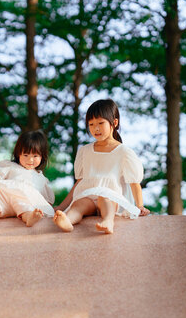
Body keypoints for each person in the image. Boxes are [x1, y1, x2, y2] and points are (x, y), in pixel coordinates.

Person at [53, 99, 150, 234]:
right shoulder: (84, 151)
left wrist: (140, 206)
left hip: (110, 196)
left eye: (100, 123)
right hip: (88, 193)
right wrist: (62, 207)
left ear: (114, 123)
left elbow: (134, 182)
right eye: (91, 124)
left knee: (105, 199)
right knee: (78, 204)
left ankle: (108, 221)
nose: (95, 128)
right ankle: (68, 221)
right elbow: (80, 181)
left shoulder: (124, 152)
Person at [0, 130, 55, 227]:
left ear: (42, 156)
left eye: (35, 156)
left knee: (25, 205)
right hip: (4, 202)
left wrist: (47, 209)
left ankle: (29, 217)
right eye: (25, 155)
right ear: (18, 154)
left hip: (22, 201)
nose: (30, 160)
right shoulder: (10, 166)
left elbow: (44, 200)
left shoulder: (41, 178)